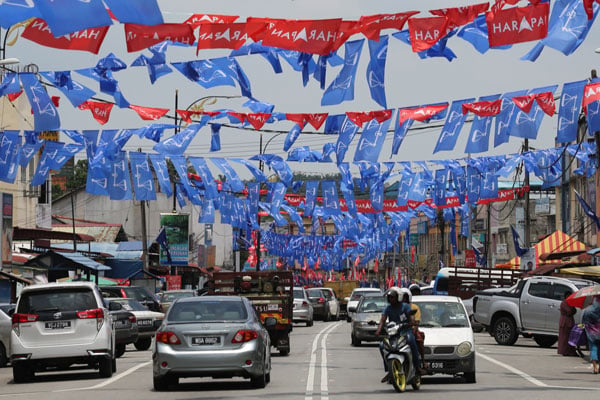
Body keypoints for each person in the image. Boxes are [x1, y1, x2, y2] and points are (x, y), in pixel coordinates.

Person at [375, 287, 423, 383]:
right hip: (394, 333)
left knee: (411, 341)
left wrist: (412, 322)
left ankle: (417, 367)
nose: (390, 299)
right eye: (389, 298)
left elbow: (411, 317)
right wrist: (378, 330)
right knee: (382, 346)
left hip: (406, 331)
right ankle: (389, 370)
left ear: (398, 297)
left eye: (392, 297)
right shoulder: (387, 308)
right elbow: (382, 320)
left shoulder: (405, 306)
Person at [583, 295, 600, 374]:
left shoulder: (588, 310)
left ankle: (595, 368)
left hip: (591, 333)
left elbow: (584, 322)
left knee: (593, 348)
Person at [557, 291, 577, 356]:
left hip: (570, 321)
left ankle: (570, 351)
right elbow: (569, 311)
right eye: (568, 296)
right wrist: (572, 307)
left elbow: (574, 311)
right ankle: (565, 351)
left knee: (569, 337)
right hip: (565, 321)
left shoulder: (570, 302)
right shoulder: (564, 303)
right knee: (564, 338)